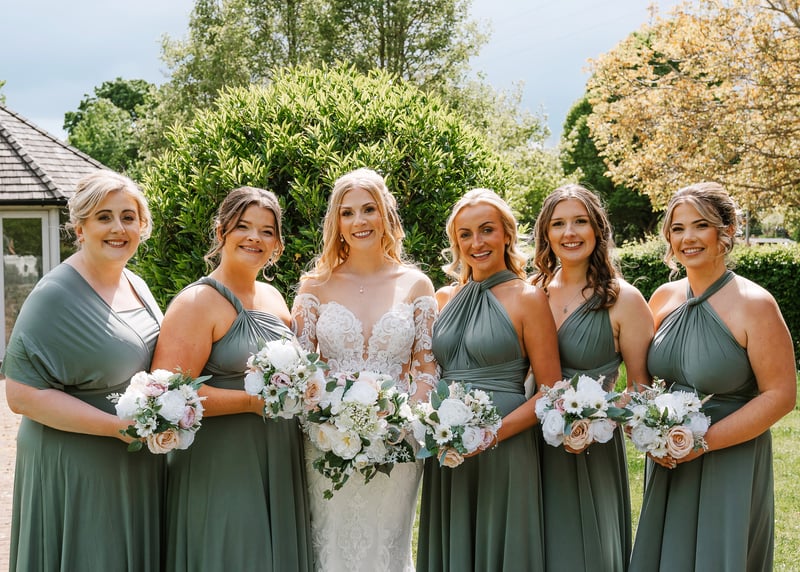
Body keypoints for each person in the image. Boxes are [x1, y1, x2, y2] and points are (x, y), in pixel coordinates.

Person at [629, 182, 796, 571]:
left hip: (730, 458)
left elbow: (781, 395)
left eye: (700, 225)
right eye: (677, 228)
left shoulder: (755, 305)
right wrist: (648, 432)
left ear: (727, 230)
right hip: (669, 460)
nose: (687, 238)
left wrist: (700, 443)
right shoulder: (662, 297)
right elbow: (645, 384)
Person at [2, 171, 164, 570]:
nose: (118, 228)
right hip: (76, 465)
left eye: (128, 217)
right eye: (104, 217)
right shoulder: (54, 294)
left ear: (142, 226)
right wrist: (115, 428)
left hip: (131, 460)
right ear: (80, 228)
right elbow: (21, 395)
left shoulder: (137, 284)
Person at [150, 187, 312, 571]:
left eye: (267, 231)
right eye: (243, 226)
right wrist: (252, 403)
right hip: (223, 461)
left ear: (277, 245)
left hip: (278, 453)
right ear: (221, 231)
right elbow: (170, 395)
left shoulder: (274, 298)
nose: (255, 237)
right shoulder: (197, 302)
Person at [291, 167, 438, 572]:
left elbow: (427, 368)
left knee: (386, 545)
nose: (359, 221)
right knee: (331, 546)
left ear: (386, 214)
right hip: (327, 442)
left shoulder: (416, 284)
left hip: (397, 445)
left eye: (369, 209)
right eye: (348, 212)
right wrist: (328, 418)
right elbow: (301, 369)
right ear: (336, 223)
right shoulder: (315, 285)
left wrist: (402, 422)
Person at [416, 188, 562, 571]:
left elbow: (551, 391)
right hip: (448, 445)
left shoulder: (528, 298)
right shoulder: (444, 298)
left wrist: (490, 434)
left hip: (505, 445)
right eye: (465, 234)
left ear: (506, 234)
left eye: (486, 230)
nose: (476, 243)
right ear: (456, 242)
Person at [531, 184, 654, 571]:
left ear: (598, 229)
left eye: (580, 221)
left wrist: (597, 417)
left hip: (590, 445)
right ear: (546, 234)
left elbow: (641, 387)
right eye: (558, 224)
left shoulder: (623, 299)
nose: (569, 232)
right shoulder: (531, 292)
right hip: (529, 444)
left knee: (585, 552)